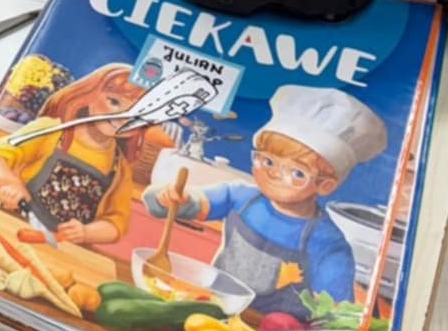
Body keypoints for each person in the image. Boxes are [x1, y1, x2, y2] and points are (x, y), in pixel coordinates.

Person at [143, 86, 387, 312]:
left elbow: (335, 311)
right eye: (268, 161)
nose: (273, 174)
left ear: (325, 185)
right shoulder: (240, 196)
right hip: (211, 307)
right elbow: (186, 204)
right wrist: (169, 198)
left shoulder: (327, 243)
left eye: (297, 173)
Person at [0, 66, 149, 248]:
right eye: (114, 102)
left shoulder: (120, 168)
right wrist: (12, 183)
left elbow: (116, 223)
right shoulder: (51, 130)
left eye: (136, 114)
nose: (122, 117)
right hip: (7, 224)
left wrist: (86, 232)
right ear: (88, 95)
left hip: (60, 248)